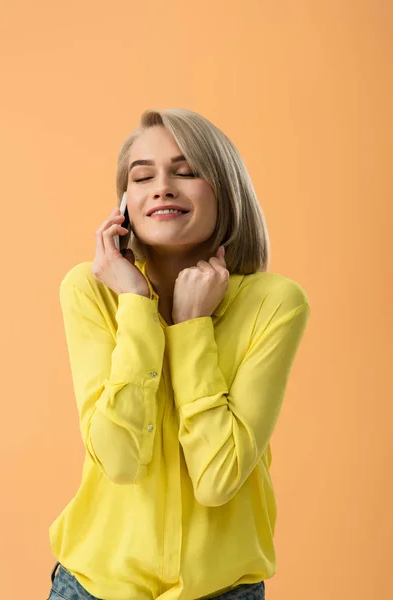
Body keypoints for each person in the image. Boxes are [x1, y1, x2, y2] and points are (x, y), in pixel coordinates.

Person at [47, 107, 311, 600]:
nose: (163, 186)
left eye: (186, 172)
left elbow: (218, 478)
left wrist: (192, 329)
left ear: (226, 191)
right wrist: (135, 305)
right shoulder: (88, 290)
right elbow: (120, 461)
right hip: (92, 588)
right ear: (125, 202)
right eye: (142, 176)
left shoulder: (276, 303)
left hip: (223, 590)